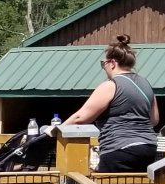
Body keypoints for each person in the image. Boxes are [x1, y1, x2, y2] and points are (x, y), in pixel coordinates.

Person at [63, 34, 159, 173]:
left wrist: (56, 130)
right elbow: (154, 120)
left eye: (103, 64)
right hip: (148, 147)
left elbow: (81, 118)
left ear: (112, 63)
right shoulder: (146, 85)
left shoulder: (110, 85)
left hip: (118, 148)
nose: (104, 67)